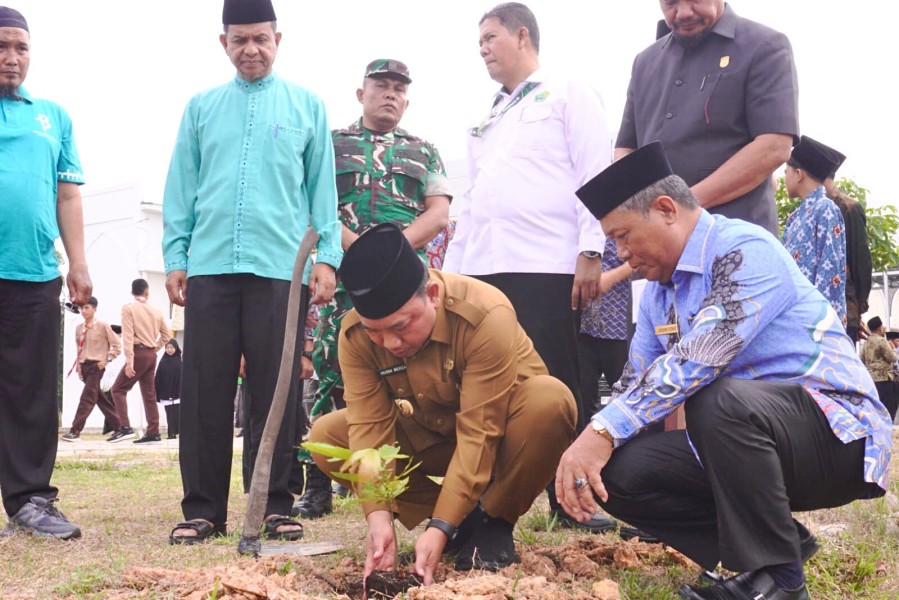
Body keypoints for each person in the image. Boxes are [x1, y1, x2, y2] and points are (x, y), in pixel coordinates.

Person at [556, 141, 892, 600]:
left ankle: (781, 583)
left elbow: (703, 355)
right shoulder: (659, 293)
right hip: (745, 442)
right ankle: (778, 548)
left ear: (666, 209)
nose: (619, 254)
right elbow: (635, 383)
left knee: (718, 397)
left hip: (837, 435)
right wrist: (584, 447)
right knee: (617, 472)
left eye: (622, 235)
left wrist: (600, 431)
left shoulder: (745, 248)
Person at [162, 0, 341, 544]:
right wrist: (176, 256)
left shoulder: (307, 106)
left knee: (277, 390)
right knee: (205, 390)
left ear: (278, 39)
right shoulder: (201, 108)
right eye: (239, 40)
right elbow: (181, 187)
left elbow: (322, 193)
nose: (251, 49)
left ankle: (273, 505)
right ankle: (203, 511)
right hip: (212, 265)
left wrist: (326, 257)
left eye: (260, 38)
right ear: (224, 43)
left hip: (280, 271)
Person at [309, 223, 577, 585]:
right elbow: (369, 433)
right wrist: (378, 516)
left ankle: (494, 521)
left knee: (551, 399)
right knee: (329, 436)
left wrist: (439, 528)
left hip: (504, 436)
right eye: (376, 331)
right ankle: (464, 523)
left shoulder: (485, 313)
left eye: (401, 326)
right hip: (429, 435)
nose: (389, 342)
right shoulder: (355, 335)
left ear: (432, 293)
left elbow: (480, 432)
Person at [442, 1, 613, 532]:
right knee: (493, 385)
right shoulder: (487, 117)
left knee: (559, 384)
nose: (483, 49)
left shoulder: (567, 92)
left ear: (523, 36)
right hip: (486, 271)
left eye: (490, 38)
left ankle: (573, 503)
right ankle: (492, 500)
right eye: (479, 42)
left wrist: (590, 250)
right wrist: (451, 276)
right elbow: (471, 202)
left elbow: (594, 172)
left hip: (546, 265)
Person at [297, 59, 452, 520]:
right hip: (345, 281)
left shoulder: (423, 150)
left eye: (399, 89)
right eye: (381, 86)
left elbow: (438, 212)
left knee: (415, 374)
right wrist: (359, 251)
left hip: (408, 287)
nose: (390, 94)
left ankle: (413, 476)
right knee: (329, 373)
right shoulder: (332, 145)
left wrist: (390, 252)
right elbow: (315, 205)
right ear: (360, 92)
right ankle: (317, 485)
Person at [0, 6, 90, 540]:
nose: (11, 58)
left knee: (31, 390)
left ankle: (30, 499)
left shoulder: (52, 116)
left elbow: (68, 193)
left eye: (21, 48)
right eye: (1, 47)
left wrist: (78, 264)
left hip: (34, 274)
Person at [616, 0, 799, 235]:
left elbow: (774, 146)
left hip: (733, 242)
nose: (682, 13)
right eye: (670, 3)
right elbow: (625, 149)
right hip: (656, 246)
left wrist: (682, 206)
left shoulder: (764, 46)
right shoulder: (645, 62)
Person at [781, 136, 847, 325]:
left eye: (786, 172)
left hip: (814, 323)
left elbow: (830, 273)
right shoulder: (795, 217)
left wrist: (822, 325)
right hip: (796, 317)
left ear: (798, 174)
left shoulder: (825, 209)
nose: (784, 177)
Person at [108, 278, 171, 444]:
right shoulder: (156, 311)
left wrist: (129, 360)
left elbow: (127, 336)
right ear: (147, 292)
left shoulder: (128, 309)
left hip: (138, 354)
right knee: (149, 394)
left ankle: (125, 427)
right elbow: (167, 335)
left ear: (132, 292)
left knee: (118, 389)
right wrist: (155, 348)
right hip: (151, 355)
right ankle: (153, 431)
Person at [824, 152, 873, 343]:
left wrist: (858, 309)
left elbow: (861, 263)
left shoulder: (848, 208)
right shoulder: (818, 207)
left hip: (845, 307)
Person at [62, 297, 122, 441]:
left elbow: (117, 346)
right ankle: (120, 428)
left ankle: (75, 431)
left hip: (97, 366)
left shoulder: (102, 326)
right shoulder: (79, 328)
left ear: (94, 309)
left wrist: (106, 361)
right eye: (82, 308)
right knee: (99, 398)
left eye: (87, 307)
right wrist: (79, 368)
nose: (83, 311)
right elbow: (79, 349)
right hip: (85, 366)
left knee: (87, 398)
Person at [861, 317, 898, 422]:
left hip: (871, 379)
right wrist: (894, 350)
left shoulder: (866, 342)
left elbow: (861, 359)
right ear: (879, 328)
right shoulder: (882, 341)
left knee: (875, 404)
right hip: (884, 378)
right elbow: (892, 358)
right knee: (886, 405)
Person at [155, 339, 183, 439]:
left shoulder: (180, 361)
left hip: (178, 392)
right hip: (166, 392)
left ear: (176, 348)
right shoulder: (163, 361)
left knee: (178, 412)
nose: (169, 350)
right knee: (169, 413)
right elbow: (158, 377)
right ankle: (171, 433)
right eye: (167, 348)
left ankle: (179, 432)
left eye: (172, 348)